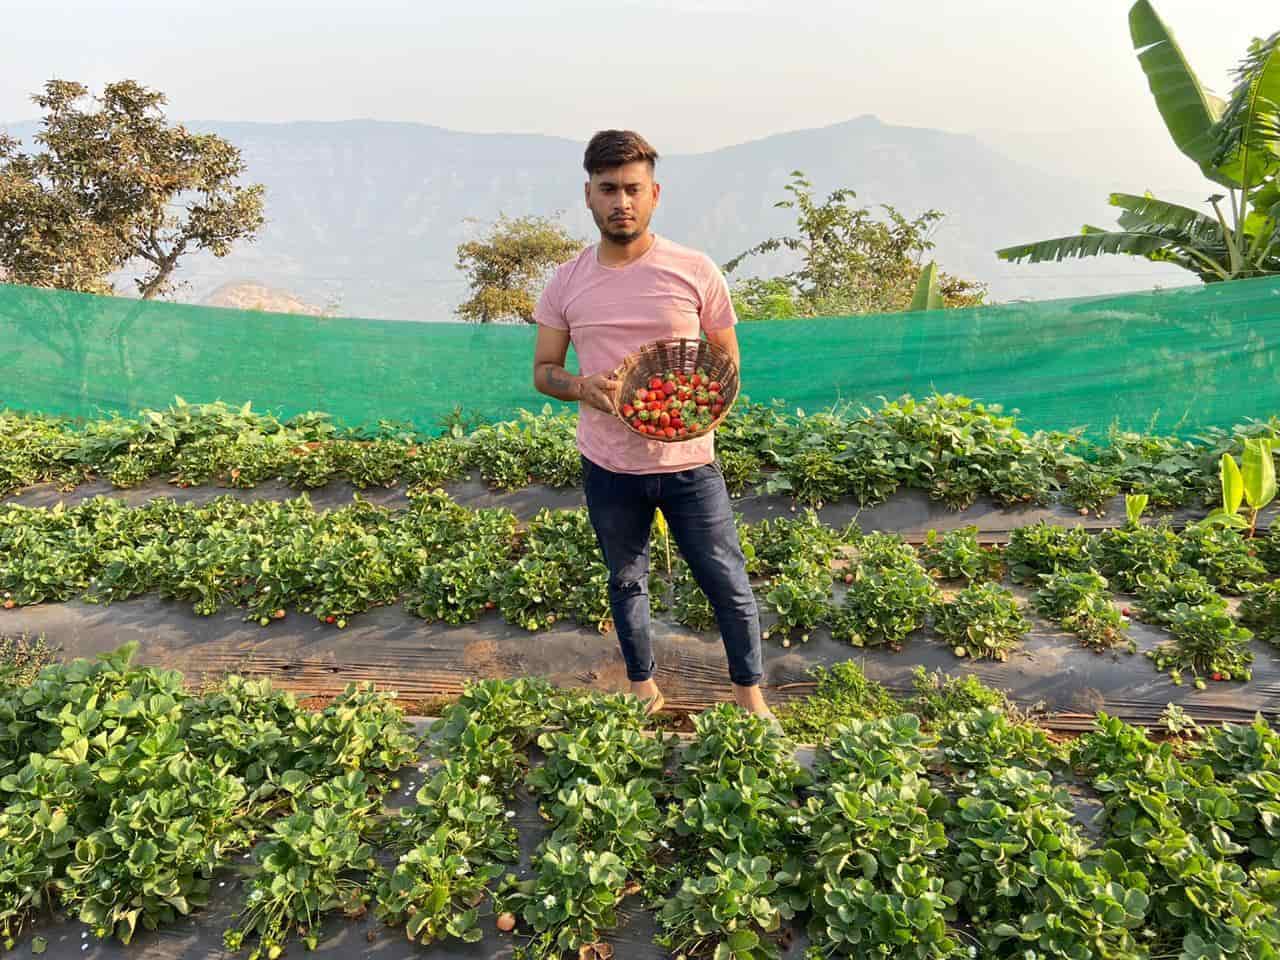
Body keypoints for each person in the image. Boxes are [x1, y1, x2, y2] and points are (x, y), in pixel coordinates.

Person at [531, 128, 774, 723]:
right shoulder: (566, 281)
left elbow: (726, 362)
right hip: (609, 464)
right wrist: (581, 387)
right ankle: (642, 687)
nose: (622, 202)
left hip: (688, 460)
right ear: (587, 194)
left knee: (727, 582)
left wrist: (700, 400)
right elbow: (544, 371)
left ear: (655, 194)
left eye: (633, 189)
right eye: (608, 189)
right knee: (626, 578)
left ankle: (750, 698)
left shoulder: (694, 270)